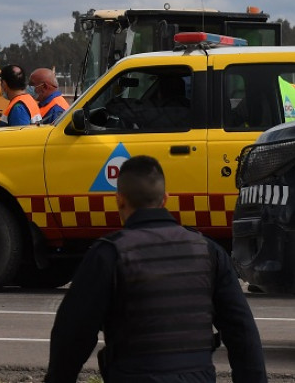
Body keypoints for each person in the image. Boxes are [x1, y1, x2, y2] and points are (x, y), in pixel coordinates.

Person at [44, 155, 266, 383]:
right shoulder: (208, 251)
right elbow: (242, 332)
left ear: (119, 200)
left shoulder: (109, 254)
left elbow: (72, 336)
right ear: (165, 199)